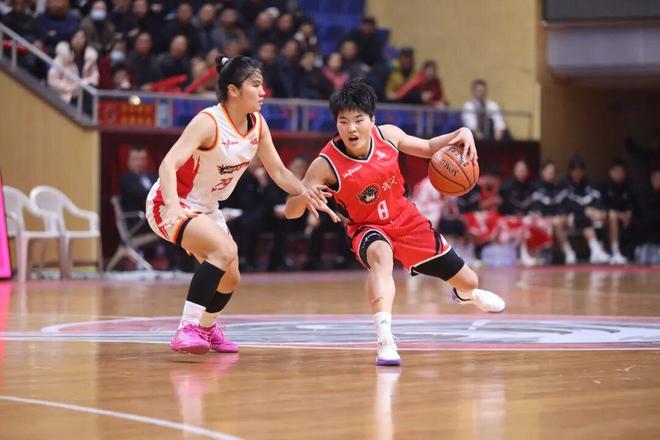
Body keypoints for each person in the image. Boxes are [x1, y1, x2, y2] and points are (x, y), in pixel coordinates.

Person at [284, 79, 505, 366]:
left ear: (372, 120)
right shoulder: (325, 164)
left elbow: (429, 147)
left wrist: (462, 132)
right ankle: (385, 339)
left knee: (470, 281)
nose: (351, 128)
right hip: (367, 227)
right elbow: (291, 212)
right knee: (381, 257)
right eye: (343, 122)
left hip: (407, 220)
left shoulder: (388, 136)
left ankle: (464, 296)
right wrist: (303, 195)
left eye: (358, 120)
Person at [146, 55, 337, 355]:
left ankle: (207, 328)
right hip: (172, 201)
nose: (263, 92)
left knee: (231, 277)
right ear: (233, 90)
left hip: (207, 206)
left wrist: (305, 191)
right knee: (224, 250)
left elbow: (279, 172)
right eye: (256, 85)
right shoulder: (209, 122)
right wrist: (172, 206)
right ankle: (187, 328)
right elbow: (168, 164)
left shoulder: (258, 125)